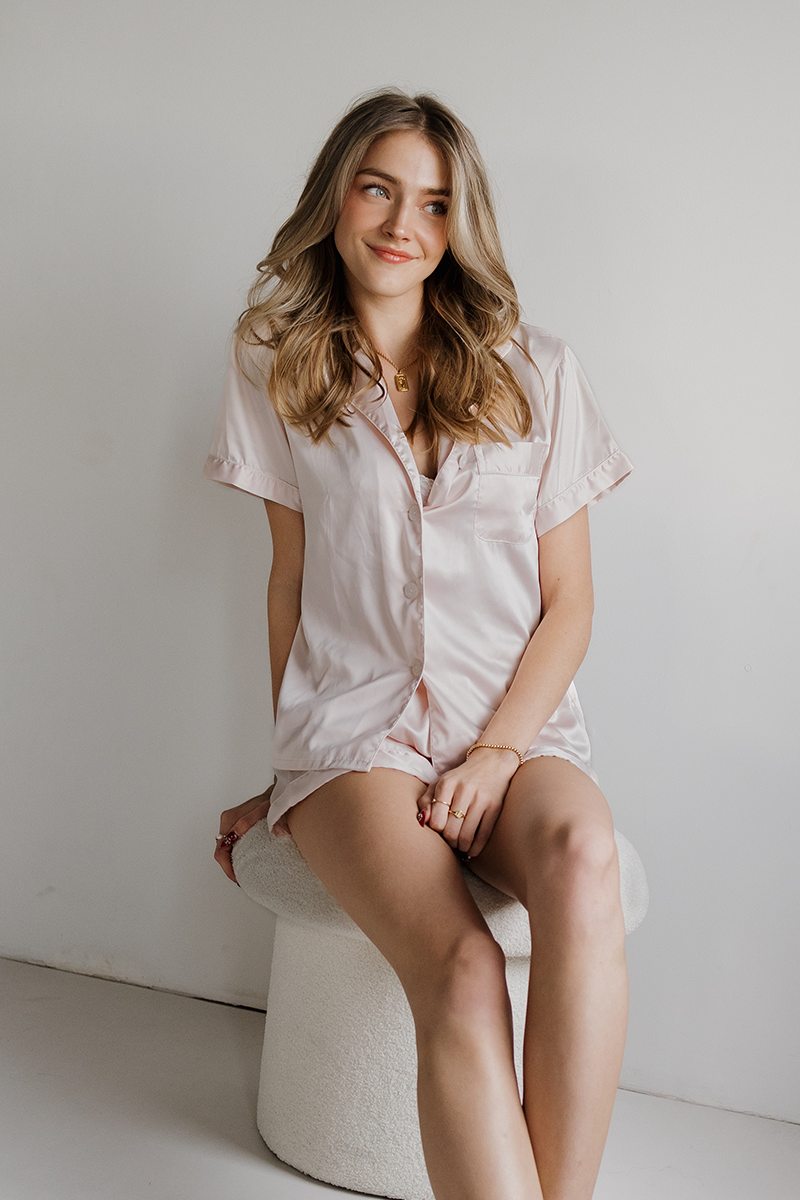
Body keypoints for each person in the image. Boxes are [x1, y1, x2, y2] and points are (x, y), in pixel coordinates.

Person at [205, 88, 632, 1200]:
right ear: (335, 199)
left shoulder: (538, 371)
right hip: (357, 734)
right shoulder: (274, 364)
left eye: (435, 203)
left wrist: (496, 752)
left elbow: (570, 605)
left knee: (584, 860)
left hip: (515, 728)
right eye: (378, 189)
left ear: (459, 224)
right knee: (462, 968)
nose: (404, 223)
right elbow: (290, 581)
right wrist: (285, 769)